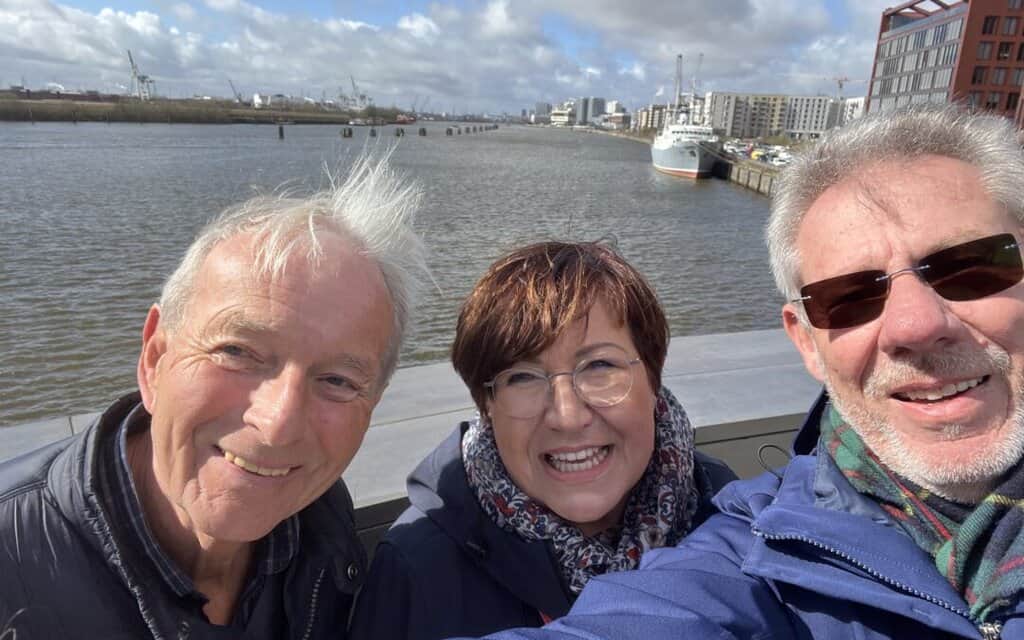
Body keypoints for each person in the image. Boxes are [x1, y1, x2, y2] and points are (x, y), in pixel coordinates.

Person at [455, 104, 1024, 640]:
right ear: (805, 340)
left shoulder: (710, 495)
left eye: (969, 268)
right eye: (850, 297)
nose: (915, 324)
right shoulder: (753, 543)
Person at [0, 156, 427, 639]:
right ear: (155, 359)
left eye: (337, 381)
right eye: (237, 351)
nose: (278, 423)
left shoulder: (317, 519)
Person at [348, 241, 737, 639]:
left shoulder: (726, 512)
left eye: (600, 366)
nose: (567, 416)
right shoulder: (417, 569)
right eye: (522, 377)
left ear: (654, 380)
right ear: (487, 405)